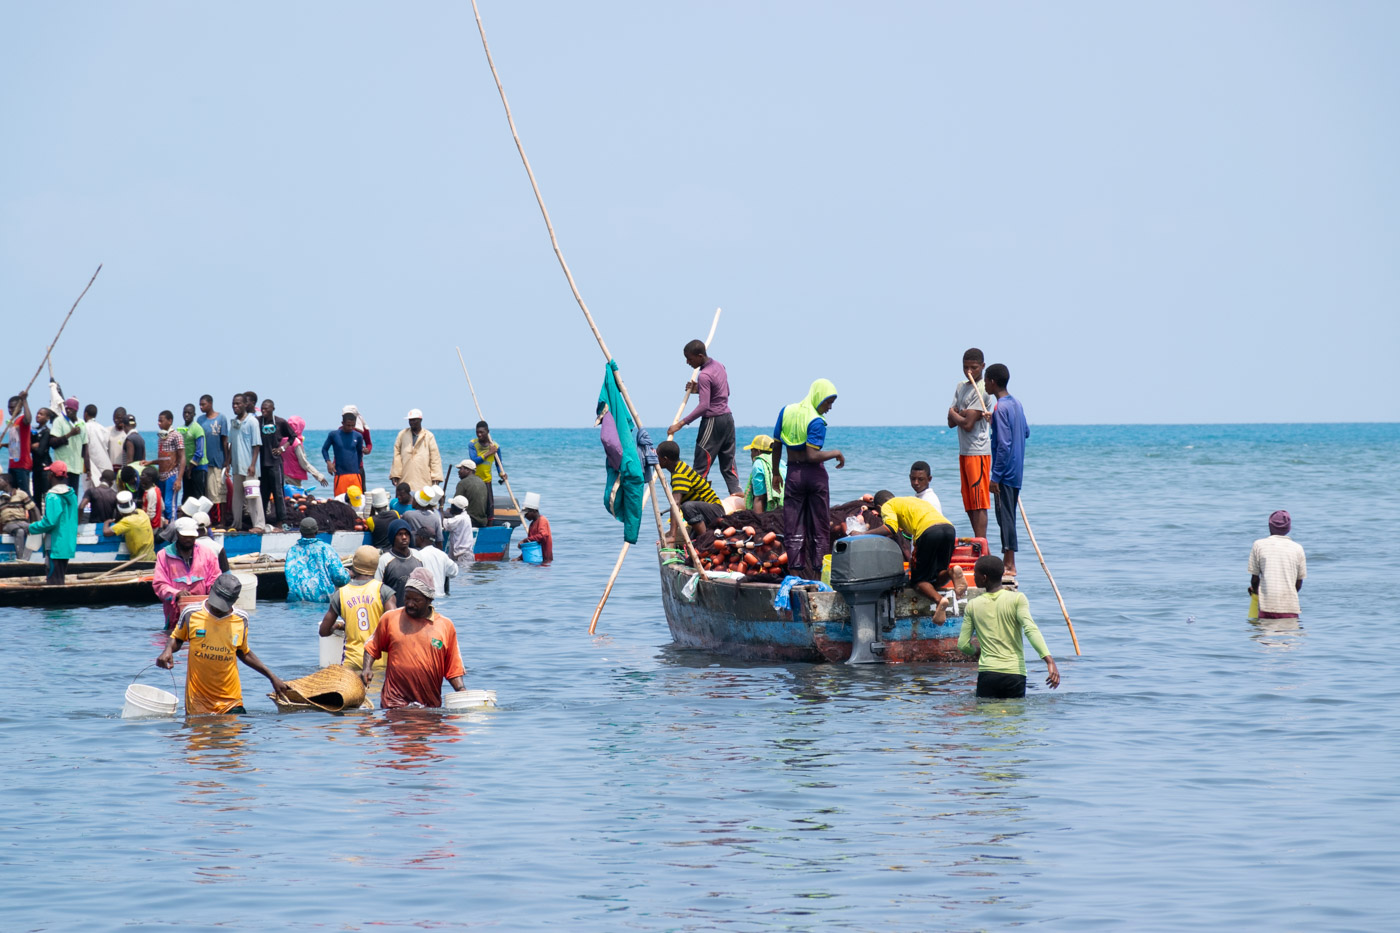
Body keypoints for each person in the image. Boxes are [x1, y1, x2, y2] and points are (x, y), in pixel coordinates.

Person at [156, 573, 291, 714]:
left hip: (231, 701)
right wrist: (168, 650)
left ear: (234, 601)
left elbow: (243, 652)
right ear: (212, 590)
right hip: (198, 703)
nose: (218, 608)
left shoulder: (241, 619)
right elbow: (177, 638)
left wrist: (272, 676)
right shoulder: (191, 613)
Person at [770, 379, 845, 579]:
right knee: (819, 525)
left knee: (793, 526)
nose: (829, 408)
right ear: (818, 396)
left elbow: (776, 445)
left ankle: (795, 572)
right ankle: (819, 573)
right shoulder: (816, 421)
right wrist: (835, 452)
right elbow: (812, 456)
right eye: (828, 402)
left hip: (793, 474)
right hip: (814, 475)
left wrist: (776, 472)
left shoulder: (786, 411)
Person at [361, 567, 466, 709]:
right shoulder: (390, 619)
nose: (410, 604)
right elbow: (371, 647)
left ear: (429, 599)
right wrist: (366, 668)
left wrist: (462, 692)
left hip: (428, 706)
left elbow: (453, 668)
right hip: (394, 703)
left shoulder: (445, 626)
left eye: (416, 600)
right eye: (407, 598)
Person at [958, 555, 1060, 698]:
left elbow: (962, 645)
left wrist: (977, 651)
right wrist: (1049, 660)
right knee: (1014, 717)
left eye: (976, 574)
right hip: (1015, 674)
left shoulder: (972, 605)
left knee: (988, 716)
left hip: (988, 673)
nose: (974, 577)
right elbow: (1031, 629)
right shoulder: (1018, 599)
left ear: (984, 578)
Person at [667, 340, 741, 496]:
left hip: (713, 422)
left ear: (700, 356)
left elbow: (704, 406)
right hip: (728, 419)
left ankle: (696, 500)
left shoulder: (704, 375)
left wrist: (680, 425)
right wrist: (699, 389)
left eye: (690, 358)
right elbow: (725, 392)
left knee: (701, 464)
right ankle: (737, 494)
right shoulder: (720, 366)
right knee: (728, 465)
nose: (687, 362)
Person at [868, 490, 963, 601]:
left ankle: (940, 601)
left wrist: (863, 533)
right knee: (937, 575)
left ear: (879, 507)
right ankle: (952, 572)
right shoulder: (912, 500)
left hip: (928, 532)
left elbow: (890, 528)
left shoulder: (887, 506)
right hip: (949, 529)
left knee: (918, 582)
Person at [319, 546, 396, 671]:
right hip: (378, 663)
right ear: (375, 565)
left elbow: (323, 631)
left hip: (351, 664)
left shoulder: (341, 594)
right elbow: (395, 628)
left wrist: (338, 626)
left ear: (354, 564)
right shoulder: (384, 591)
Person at [984, 363, 1028, 578]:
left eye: (985, 381)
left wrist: (995, 477)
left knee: (1005, 518)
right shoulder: (1016, 404)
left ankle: (1009, 564)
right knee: (1008, 517)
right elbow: (1025, 432)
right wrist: (995, 423)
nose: (984, 384)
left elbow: (1004, 445)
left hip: (1006, 473)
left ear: (992, 382)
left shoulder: (1000, 407)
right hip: (1017, 470)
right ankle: (1007, 560)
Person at [948, 348, 992, 540]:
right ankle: (977, 539)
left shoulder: (982, 390)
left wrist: (956, 413)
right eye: (966, 368)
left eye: (973, 368)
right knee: (968, 500)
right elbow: (951, 421)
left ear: (982, 367)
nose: (969, 372)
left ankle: (981, 542)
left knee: (979, 501)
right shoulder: (961, 387)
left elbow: (967, 424)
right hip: (964, 451)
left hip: (978, 451)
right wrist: (957, 414)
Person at [153, 515, 222, 629]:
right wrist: (176, 593)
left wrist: (213, 593)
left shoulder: (207, 553)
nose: (188, 539)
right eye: (185, 536)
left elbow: (214, 579)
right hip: (175, 615)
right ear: (177, 534)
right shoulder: (163, 555)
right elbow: (160, 585)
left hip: (203, 612)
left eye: (191, 536)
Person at [656, 440, 724, 541]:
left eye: (658, 457)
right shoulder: (680, 467)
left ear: (665, 459)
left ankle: (706, 541)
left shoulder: (680, 473)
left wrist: (672, 536)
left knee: (687, 507)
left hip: (715, 512)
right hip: (703, 515)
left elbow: (675, 504)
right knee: (691, 539)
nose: (656, 460)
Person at [26, 460, 79, 584]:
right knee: (60, 578)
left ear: (51, 475)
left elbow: (50, 522)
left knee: (53, 580)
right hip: (67, 544)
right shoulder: (72, 495)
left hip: (55, 545)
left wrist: (31, 528)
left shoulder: (53, 496)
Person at [1248, 510, 1306, 620]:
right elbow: (1298, 584)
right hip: (1290, 608)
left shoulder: (1258, 545)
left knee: (1264, 635)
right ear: (1288, 528)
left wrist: (1255, 592)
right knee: (1290, 635)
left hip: (1266, 608)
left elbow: (1255, 580)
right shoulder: (1298, 548)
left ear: (1269, 526)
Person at [284, 516, 351, 602]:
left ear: (300, 531)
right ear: (316, 531)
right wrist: (349, 575)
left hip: (296, 603)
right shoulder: (326, 549)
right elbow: (340, 578)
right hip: (323, 602)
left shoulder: (292, 551)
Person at [228, 394, 264, 532]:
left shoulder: (252, 421)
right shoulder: (234, 423)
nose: (235, 406)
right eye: (233, 404)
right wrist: (228, 462)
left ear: (244, 405)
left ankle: (259, 525)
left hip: (250, 467)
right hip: (237, 466)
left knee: (253, 496)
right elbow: (231, 444)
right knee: (237, 497)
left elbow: (257, 445)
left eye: (238, 404)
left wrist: (253, 464)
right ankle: (236, 523)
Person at [389, 409, 443, 500]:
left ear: (420, 420)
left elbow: (435, 457)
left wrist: (436, 477)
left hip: (423, 475)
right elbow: (396, 454)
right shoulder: (402, 434)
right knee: (403, 499)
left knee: (423, 501)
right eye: (410, 420)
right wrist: (395, 474)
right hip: (405, 474)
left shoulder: (428, 436)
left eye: (414, 420)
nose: (411, 422)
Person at [45, 385, 87, 496]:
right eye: (67, 408)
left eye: (71, 409)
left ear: (76, 409)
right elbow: (52, 443)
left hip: (76, 467)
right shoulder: (59, 421)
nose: (68, 410)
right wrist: (69, 434)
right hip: (62, 468)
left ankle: (72, 514)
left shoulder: (82, 424)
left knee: (73, 497)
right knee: (62, 495)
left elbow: (85, 447)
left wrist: (88, 468)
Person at [257, 399, 293, 527]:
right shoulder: (257, 421)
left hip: (275, 463)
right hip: (261, 463)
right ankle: (262, 520)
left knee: (278, 492)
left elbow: (292, 437)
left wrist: (282, 448)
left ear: (273, 409)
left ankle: (280, 520)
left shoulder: (280, 422)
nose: (264, 411)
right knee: (263, 493)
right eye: (262, 408)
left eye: (266, 408)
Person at [196, 395, 230, 526]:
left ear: (210, 403)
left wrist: (227, 462)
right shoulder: (200, 420)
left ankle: (223, 521)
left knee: (220, 493)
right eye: (200, 405)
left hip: (217, 461)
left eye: (203, 404)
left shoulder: (221, 418)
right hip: (204, 462)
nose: (201, 407)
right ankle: (208, 520)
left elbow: (225, 440)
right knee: (207, 494)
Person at [374, 518, 424, 603]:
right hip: (393, 612)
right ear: (393, 537)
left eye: (406, 534)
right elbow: (377, 590)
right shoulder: (384, 560)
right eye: (400, 534)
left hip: (415, 611)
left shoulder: (418, 556)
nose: (404, 537)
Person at [465, 421, 505, 522]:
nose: (479, 435)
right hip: (474, 480)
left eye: (482, 432)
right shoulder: (473, 444)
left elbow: (498, 463)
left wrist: (502, 474)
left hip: (487, 480)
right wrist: (488, 453)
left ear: (487, 431)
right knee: (474, 504)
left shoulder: (495, 446)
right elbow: (474, 461)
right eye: (477, 432)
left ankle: (489, 526)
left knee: (489, 505)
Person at [323, 409, 367, 497]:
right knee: (340, 502)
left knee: (357, 501)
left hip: (355, 475)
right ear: (342, 423)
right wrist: (329, 462)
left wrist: (357, 469)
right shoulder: (334, 435)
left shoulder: (358, 436)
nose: (350, 428)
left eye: (352, 425)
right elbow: (324, 449)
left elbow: (359, 454)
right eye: (348, 425)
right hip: (340, 475)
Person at [102, 490, 156, 561]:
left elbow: (106, 532)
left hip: (139, 560)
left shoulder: (127, 521)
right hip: (151, 557)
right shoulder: (142, 513)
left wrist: (106, 522)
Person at [279, 415, 328, 491]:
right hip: (293, 476)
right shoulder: (295, 442)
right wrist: (318, 476)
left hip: (282, 474)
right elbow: (304, 463)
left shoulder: (281, 440)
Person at [155, 411, 186, 522]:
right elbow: (164, 458)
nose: (159, 423)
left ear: (170, 421)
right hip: (161, 476)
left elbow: (182, 458)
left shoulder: (176, 436)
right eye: (158, 421)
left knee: (170, 505)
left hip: (172, 475)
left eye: (161, 421)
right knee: (162, 505)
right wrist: (149, 463)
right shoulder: (161, 437)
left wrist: (179, 479)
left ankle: (172, 527)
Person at [742, 434, 784, 513]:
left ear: (758, 451)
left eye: (752, 451)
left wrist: (759, 521)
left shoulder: (758, 463)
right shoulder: (781, 462)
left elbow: (759, 498)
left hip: (769, 514)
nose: (751, 455)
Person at [0, 476, 39, 559]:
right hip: (9, 524)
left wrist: (38, 524)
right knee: (20, 531)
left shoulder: (21, 494)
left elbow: (33, 509)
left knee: (32, 530)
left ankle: (25, 558)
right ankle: (20, 558)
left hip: (22, 522)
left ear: (6, 481)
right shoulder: (1, 499)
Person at [412, 527, 458, 597]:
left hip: (426, 599)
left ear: (421, 538)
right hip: (442, 599)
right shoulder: (442, 555)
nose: (415, 539)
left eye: (416, 536)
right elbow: (454, 572)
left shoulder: (418, 555)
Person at [176, 403, 207, 503]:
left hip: (198, 468)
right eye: (185, 412)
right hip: (186, 468)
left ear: (194, 414)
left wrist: (190, 468)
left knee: (199, 496)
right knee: (186, 496)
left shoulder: (197, 428)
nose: (186, 415)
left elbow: (199, 451)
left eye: (189, 413)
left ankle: (201, 517)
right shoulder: (180, 429)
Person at [4, 391, 34, 494]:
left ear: (19, 407)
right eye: (9, 407)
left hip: (22, 464)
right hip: (12, 464)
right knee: (12, 492)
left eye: (12, 407)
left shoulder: (22, 420)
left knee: (25, 492)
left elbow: (28, 419)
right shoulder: (13, 422)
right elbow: (15, 443)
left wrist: (24, 400)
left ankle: (31, 510)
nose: (10, 410)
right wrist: (3, 445)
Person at [517, 491, 553, 563]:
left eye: (526, 514)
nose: (525, 516)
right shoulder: (532, 525)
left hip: (545, 559)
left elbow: (542, 535)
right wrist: (519, 558)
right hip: (535, 559)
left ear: (533, 511)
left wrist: (525, 540)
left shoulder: (542, 520)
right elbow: (530, 545)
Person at [453, 460, 491, 528]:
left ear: (468, 470)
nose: (458, 472)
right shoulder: (482, 482)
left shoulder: (462, 483)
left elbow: (455, 506)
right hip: (482, 521)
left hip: (469, 521)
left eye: (461, 469)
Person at [443, 495, 476, 569]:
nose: (450, 507)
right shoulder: (465, 516)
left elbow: (444, 523)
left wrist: (441, 507)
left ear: (456, 508)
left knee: (461, 578)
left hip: (462, 556)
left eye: (452, 506)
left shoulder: (459, 519)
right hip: (464, 554)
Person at [31, 408, 54, 508]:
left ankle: (49, 518)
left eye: (41, 414)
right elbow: (27, 446)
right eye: (37, 413)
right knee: (36, 496)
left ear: (47, 418)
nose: (38, 415)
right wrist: (32, 446)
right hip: (35, 468)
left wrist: (33, 447)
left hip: (45, 468)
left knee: (46, 495)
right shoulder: (34, 431)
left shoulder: (47, 432)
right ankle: (37, 520)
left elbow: (41, 451)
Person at [138, 465, 163, 534]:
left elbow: (151, 515)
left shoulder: (151, 493)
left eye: (142, 475)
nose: (140, 477)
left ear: (149, 479)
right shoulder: (156, 489)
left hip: (151, 527)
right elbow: (162, 507)